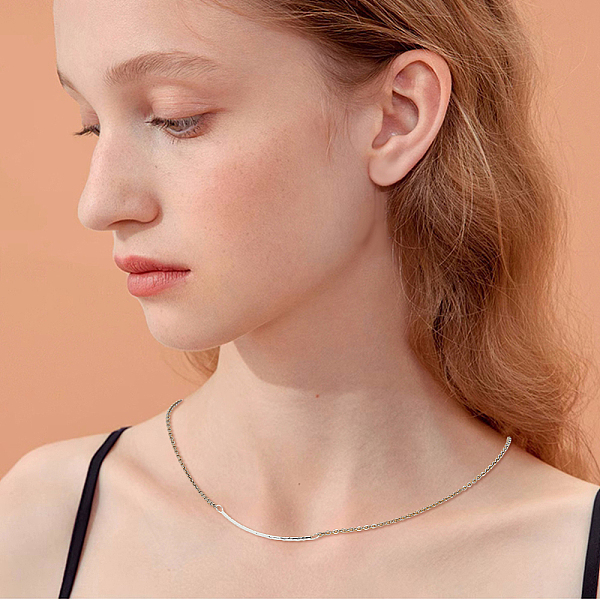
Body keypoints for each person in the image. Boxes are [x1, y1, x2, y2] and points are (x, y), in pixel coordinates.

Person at [1, 0, 600, 596]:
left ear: (398, 115)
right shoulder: (39, 528)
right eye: (91, 124)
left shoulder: (574, 563)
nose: (99, 204)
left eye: (175, 117)